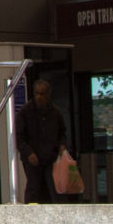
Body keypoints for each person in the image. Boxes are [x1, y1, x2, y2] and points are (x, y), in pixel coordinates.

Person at [18, 76, 70, 205]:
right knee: (33, 187)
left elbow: (62, 132)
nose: (39, 97)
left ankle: (59, 212)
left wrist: (62, 145)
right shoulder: (25, 112)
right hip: (33, 157)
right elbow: (19, 136)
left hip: (50, 156)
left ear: (48, 95)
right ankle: (31, 213)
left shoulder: (55, 112)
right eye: (37, 93)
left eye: (42, 94)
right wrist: (28, 152)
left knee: (55, 187)